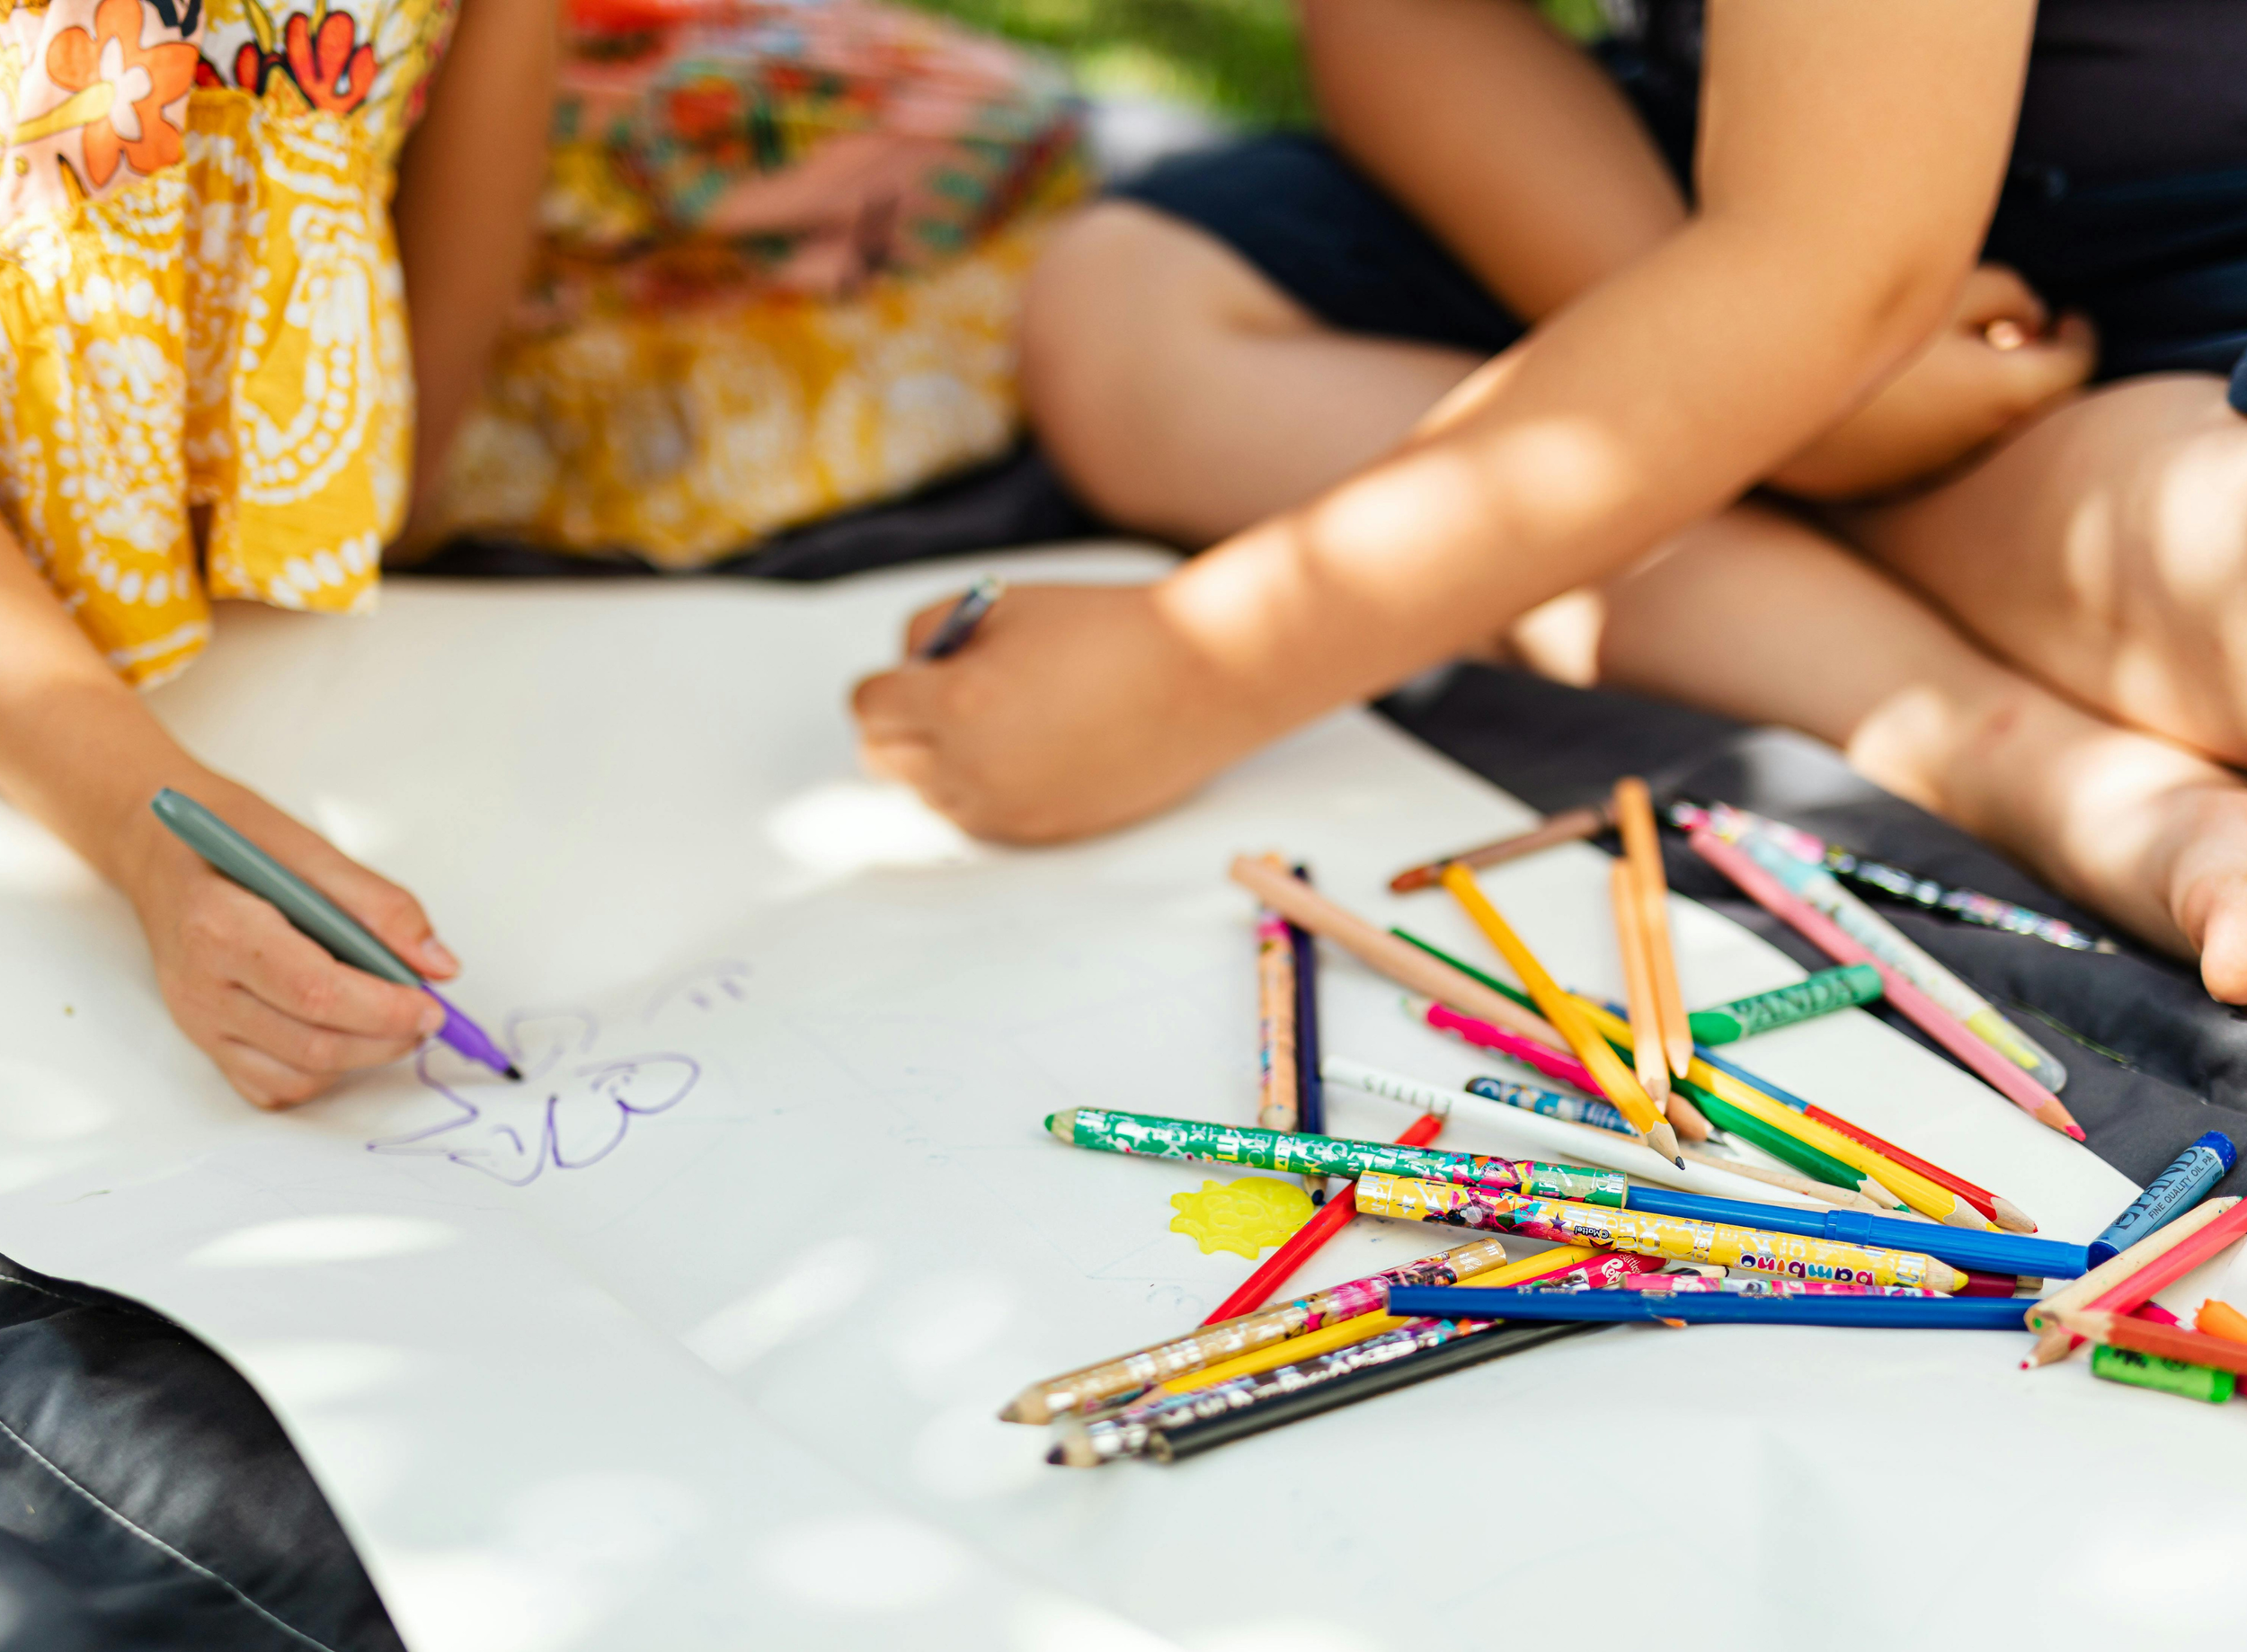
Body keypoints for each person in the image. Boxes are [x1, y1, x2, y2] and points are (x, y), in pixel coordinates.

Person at [850, 0, 2247, 1004]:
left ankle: (1698, 461)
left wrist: (1197, 663)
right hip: (1712, 196)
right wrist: (1765, 378)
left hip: (2162, 251)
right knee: (1132, 316)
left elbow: (1841, 268)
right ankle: (2031, 756)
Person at [0, 0, 1077, 1106]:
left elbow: (415, 433)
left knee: (1010, 159)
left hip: (355, 300)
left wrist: (377, 465)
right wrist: (142, 821)